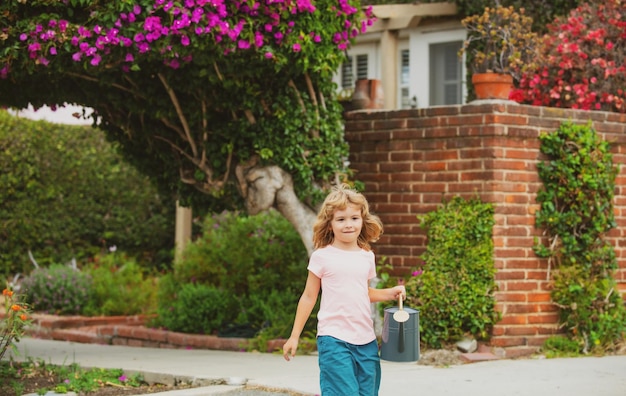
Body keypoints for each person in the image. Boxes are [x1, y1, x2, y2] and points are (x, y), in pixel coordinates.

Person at [283, 183, 406, 396]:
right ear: (330, 224)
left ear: (362, 220)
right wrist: (294, 336)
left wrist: (390, 292)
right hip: (334, 339)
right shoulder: (322, 256)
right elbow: (309, 297)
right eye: (341, 219)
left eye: (354, 218)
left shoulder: (367, 256)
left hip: (365, 340)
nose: (348, 224)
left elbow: (363, 293)